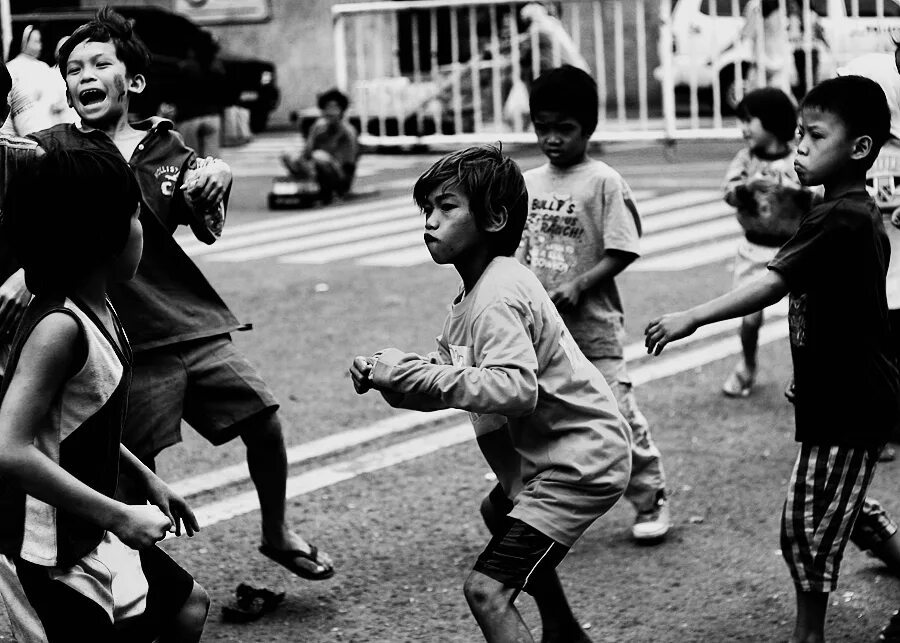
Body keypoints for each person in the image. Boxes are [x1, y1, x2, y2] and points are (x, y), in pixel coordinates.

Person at [12, 7, 334, 581]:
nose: (84, 75)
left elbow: (207, 220)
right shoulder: (54, 150)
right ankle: (131, 579)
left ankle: (276, 531)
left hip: (191, 323)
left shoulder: (165, 146)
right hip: (121, 343)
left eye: (99, 63)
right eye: (74, 68)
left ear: (132, 81)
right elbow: (19, 197)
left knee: (264, 420)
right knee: (121, 465)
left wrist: (220, 178)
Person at [645, 75, 899, 643]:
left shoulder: (843, 218)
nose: (800, 148)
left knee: (805, 523)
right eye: (800, 135)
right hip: (841, 391)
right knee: (842, 502)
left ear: (859, 149)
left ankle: (808, 634)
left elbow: (772, 284)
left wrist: (693, 316)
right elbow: (856, 316)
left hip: (850, 401)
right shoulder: (841, 211)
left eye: (814, 136)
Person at [350, 144, 632, 643]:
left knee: (486, 591)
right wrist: (388, 374)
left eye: (447, 207)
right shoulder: (474, 297)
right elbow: (448, 379)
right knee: (497, 512)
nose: (430, 222)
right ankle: (565, 632)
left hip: (578, 465)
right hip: (553, 456)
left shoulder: (497, 295)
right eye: (427, 209)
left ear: (495, 217)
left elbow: (513, 388)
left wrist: (411, 377)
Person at [0, 146, 209, 642]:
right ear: (102, 236)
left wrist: (144, 479)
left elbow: (77, 421)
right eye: (136, 216)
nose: (143, 231)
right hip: (45, 550)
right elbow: (8, 448)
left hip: (87, 527)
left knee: (187, 606)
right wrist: (119, 515)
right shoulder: (59, 328)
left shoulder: (101, 309)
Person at [516, 65, 671, 542]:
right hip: (541, 333)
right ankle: (541, 508)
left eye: (565, 129)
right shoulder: (528, 182)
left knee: (616, 415)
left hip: (594, 330)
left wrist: (582, 285)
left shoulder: (603, 181)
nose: (553, 139)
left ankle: (651, 497)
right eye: (543, 128)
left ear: (588, 129)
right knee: (539, 419)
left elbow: (623, 248)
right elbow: (519, 247)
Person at [720, 86, 812, 397]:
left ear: (771, 121)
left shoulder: (797, 157)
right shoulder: (745, 159)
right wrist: (748, 186)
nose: (743, 128)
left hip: (794, 248)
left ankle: (806, 375)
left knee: (804, 319)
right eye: (741, 121)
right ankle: (746, 365)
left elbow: (816, 195)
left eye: (749, 120)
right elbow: (729, 193)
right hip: (753, 248)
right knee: (748, 317)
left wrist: (792, 190)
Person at [281, 87, 359, 203]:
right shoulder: (319, 128)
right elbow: (307, 154)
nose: (330, 112)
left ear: (341, 111)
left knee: (319, 156)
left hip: (339, 174)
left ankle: (330, 191)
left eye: (334, 108)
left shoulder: (347, 132)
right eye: (327, 108)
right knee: (288, 154)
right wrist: (313, 134)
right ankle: (307, 187)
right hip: (316, 170)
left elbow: (349, 164)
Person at [175, 36, 226, 159]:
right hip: (212, 116)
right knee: (212, 163)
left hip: (189, 118)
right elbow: (225, 94)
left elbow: (175, 92)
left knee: (191, 161)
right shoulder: (217, 68)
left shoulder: (184, 68)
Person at [2, 25, 57, 136]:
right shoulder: (11, 68)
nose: (39, 46)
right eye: (36, 41)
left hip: (50, 130)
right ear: (24, 41)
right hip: (22, 134)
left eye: (40, 42)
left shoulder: (44, 67)